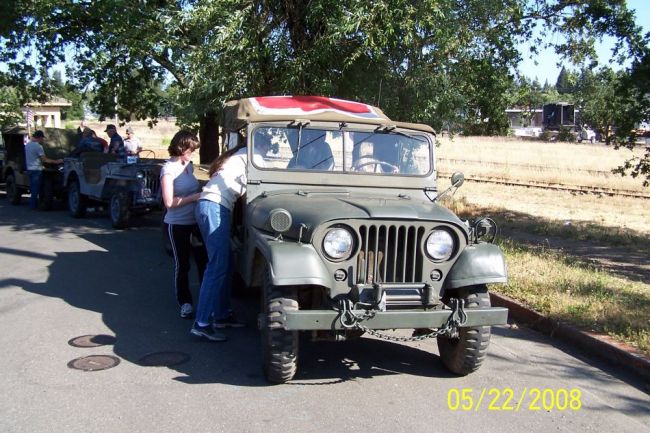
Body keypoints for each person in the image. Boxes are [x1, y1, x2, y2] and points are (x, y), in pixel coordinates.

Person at [191, 144, 249, 341]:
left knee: (226, 263)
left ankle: (222, 315)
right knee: (217, 266)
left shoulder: (238, 156)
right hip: (215, 207)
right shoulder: (250, 156)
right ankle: (202, 323)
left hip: (210, 206)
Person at [160, 130, 208, 319]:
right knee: (183, 264)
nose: (192, 153)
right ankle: (185, 302)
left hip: (195, 222)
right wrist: (195, 197)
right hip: (177, 224)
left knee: (203, 262)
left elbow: (194, 187)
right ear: (181, 147)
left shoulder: (188, 165)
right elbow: (169, 203)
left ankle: (206, 302)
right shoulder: (168, 169)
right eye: (190, 149)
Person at [24, 130, 63, 209]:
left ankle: (33, 204)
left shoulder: (27, 145)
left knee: (32, 187)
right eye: (42, 138)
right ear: (40, 137)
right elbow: (44, 160)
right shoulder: (38, 146)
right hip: (37, 169)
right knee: (37, 188)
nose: (42, 140)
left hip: (29, 168)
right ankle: (33, 205)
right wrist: (57, 161)